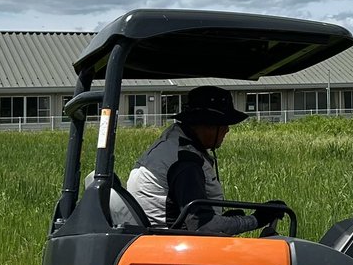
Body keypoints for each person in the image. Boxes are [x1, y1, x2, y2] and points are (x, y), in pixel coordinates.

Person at [119, 86, 285, 234]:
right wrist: (256, 219)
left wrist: (226, 220)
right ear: (208, 124)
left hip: (161, 240)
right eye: (224, 124)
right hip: (175, 249)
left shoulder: (171, 145)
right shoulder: (186, 163)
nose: (227, 130)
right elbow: (204, 227)